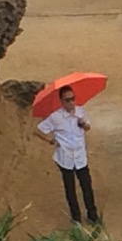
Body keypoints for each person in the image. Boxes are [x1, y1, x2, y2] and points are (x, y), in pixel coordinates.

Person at [36, 85, 100, 224]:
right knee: (70, 189)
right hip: (65, 158)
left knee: (87, 186)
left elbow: (88, 127)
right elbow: (39, 130)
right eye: (67, 100)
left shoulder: (80, 111)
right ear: (62, 101)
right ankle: (76, 217)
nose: (71, 102)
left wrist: (83, 124)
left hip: (80, 156)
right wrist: (51, 140)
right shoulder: (55, 117)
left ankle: (93, 215)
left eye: (72, 99)